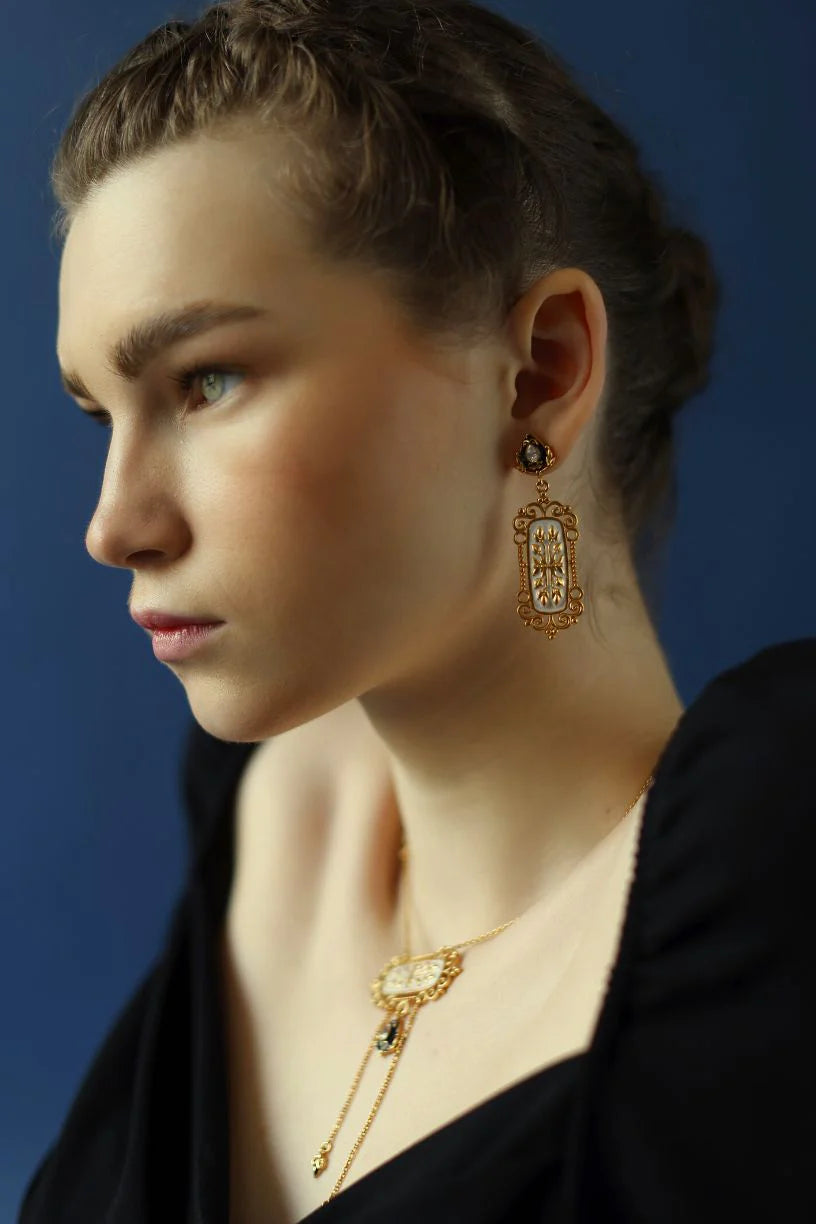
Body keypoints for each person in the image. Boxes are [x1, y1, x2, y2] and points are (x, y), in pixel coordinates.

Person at [20, 1, 815, 1221]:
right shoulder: (263, 804)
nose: (114, 524)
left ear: (542, 372)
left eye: (207, 379)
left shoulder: (772, 892)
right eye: (99, 414)